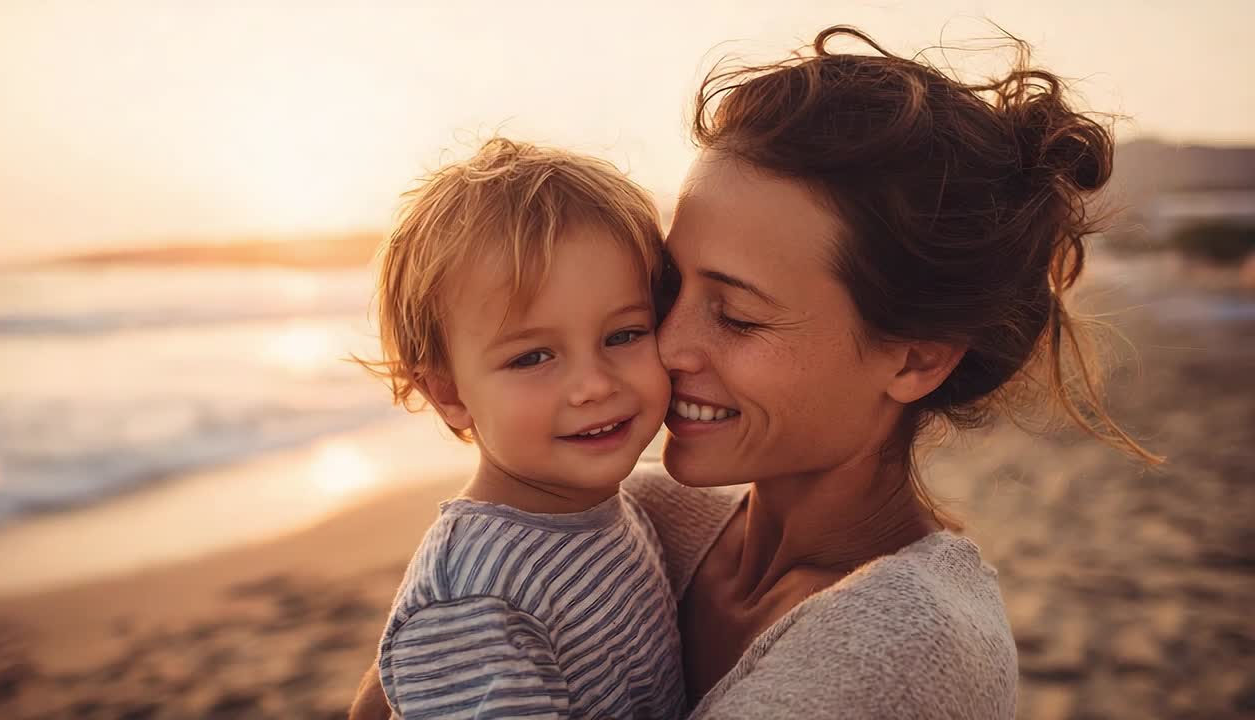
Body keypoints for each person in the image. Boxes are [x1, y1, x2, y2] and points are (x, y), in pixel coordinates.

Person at [351, 25, 1157, 719]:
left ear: (914, 357)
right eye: (667, 290)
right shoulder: (644, 514)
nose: (665, 347)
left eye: (736, 316)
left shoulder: (908, 648)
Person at [360, 137, 683, 719]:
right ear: (449, 394)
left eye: (624, 335)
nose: (593, 384)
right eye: (533, 357)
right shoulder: (476, 601)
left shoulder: (605, 509)